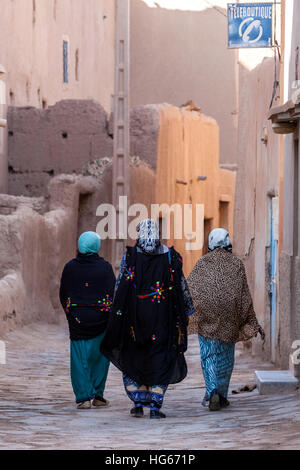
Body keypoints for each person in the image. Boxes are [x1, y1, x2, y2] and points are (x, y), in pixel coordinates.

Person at [101, 219, 195, 419]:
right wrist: (187, 311)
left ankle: (138, 402)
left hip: (134, 321)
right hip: (164, 321)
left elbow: (121, 286)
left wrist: (116, 313)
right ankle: (154, 406)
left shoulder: (131, 256)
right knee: (160, 357)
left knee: (135, 357)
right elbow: (181, 286)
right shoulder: (170, 257)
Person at [187, 228, 265, 411]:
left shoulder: (202, 263)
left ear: (211, 242)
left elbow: (190, 289)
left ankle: (212, 390)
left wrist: (184, 314)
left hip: (207, 315)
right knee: (225, 357)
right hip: (230, 315)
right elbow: (244, 295)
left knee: (208, 355)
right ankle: (222, 395)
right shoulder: (236, 264)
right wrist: (252, 321)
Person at [59, 231, 115, 409]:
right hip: (101, 319)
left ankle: (83, 397)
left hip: (78, 319)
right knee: (99, 357)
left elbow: (64, 293)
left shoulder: (70, 267)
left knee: (79, 358)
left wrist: (70, 313)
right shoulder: (105, 267)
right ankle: (98, 395)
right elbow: (112, 293)